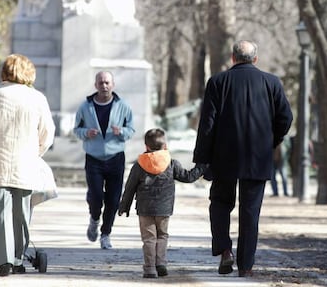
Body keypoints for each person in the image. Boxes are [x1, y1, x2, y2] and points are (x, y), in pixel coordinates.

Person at [193, 40, 293, 277]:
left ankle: (225, 250)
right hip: (257, 157)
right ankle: (246, 266)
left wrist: (202, 158)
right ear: (255, 59)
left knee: (219, 203)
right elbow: (286, 118)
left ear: (232, 58)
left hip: (223, 155)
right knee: (250, 211)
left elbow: (208, 123)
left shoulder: (218, 82)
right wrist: (271, 141)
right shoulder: (271, 82)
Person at [118, 128, 207, 278]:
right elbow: (188, 177)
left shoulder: (139, 165)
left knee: (149, 239)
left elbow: (130, 187)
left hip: (145, 209)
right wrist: (202, 167)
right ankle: (161, 263)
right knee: (162, 236)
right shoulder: (171, 163)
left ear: (146, 146)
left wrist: (124, 206)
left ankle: (150, 269)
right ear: (165, 146)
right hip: (164, 209)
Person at [0, 54, 55, 276]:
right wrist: (35, 152)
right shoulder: (37, 98)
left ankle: (3, 260)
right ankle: (18, 258)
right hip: (26, 163)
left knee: (0, 212)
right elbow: (47, 134)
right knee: (21, 213)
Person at [73, 70, 135, 249]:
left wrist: (121, 131)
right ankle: (94, 219)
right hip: (93, 158)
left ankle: (106, 234)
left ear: (113, 85)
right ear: (96, 85)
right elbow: (76, 129)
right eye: (101, 83)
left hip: (116, 157)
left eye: (107, 82)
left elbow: (131, 129)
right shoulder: (86, 106)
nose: (104, 86)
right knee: (96, 196)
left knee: (114, 199)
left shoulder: (122, 105)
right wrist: (86, 133)